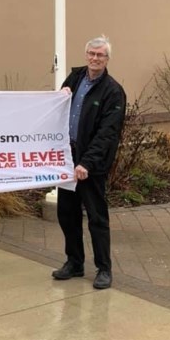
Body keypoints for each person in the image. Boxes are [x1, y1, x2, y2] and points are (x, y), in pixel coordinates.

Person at [53, 35, 125, 290]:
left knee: (96, 217)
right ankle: (74, 262)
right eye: (92, 54)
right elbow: (58, 108)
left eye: (100, 55)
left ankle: (104, 269)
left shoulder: (113, 91)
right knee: (67, 213)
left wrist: (87, 163)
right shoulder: (74, 78)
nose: (95, 59)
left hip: (90, 166)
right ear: (86, 55)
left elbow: (108, 133)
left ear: (107, 59)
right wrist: (60, 95)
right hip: (66, 157)